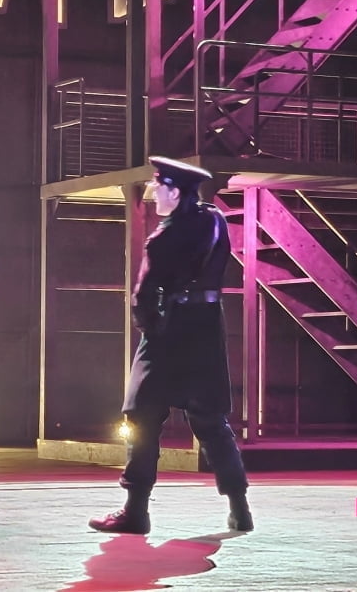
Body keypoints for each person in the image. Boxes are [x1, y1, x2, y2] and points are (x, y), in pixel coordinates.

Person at [88, 157, 251, 535]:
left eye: (158, 187)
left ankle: (135, 511)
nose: (152, 193)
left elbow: (144, 295)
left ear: (175, 193)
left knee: (142, 418)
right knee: (211, 421)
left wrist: (150, 329)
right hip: (208, 326)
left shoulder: (164, 236)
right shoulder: (215, 220)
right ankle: (239, 507)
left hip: (170, 329)